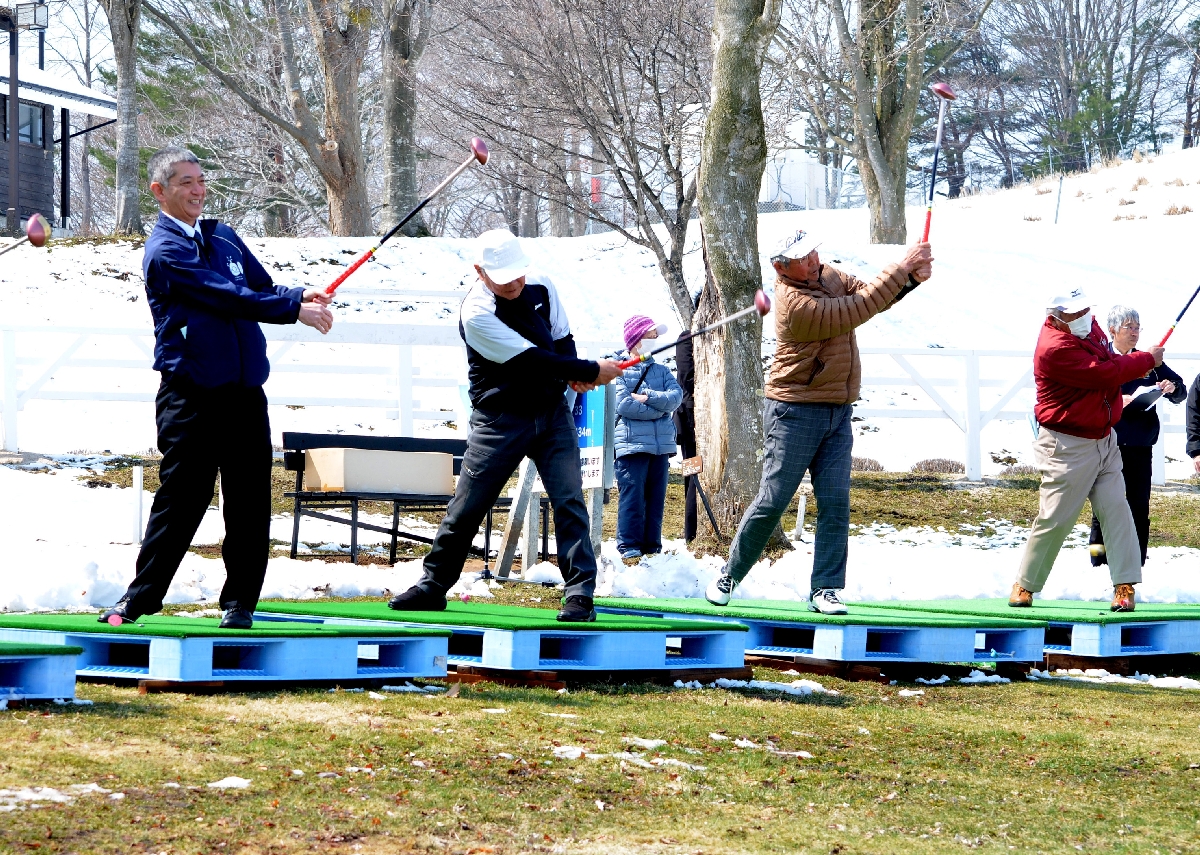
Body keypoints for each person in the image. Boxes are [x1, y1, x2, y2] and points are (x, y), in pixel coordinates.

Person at [99, 146, 334, 629]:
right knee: (182, 497)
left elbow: (257, 286)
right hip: (191, 395)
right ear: (160, 191)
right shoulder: (165, 251)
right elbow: (220, 293)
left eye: (201, 180)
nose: (198, 190)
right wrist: (292, 311)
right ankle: (140, 600)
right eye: (185, 182)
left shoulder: (224, 236)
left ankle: (240, 603)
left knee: (250, 500)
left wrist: (296, 295)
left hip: (245, 394)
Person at [387, 229, 622, 621]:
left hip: (551, 414)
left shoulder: (542, 286)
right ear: (480, 271)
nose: (514, 283)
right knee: (468, 506)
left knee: (569, 499)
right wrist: (588, 370)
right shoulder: (476, 313)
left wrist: (576, 374)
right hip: (499, 419)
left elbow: (561, 340)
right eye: (503, 276)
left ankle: (580, 593)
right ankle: (432, 586)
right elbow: (531, 360)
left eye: (518, 273)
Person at [705, 229, 933, 613]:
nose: (813, 259)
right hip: (794, 411)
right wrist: (902, 267)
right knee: (773, 500)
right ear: (782, 267)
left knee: (835, 501)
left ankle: (825, 588)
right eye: (803, 257)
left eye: (813, 251)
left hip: (837, 410)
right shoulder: (793, 304)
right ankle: (730, 574)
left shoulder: (829, 276)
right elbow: (855, 309)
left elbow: (874, 298)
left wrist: (910, 280)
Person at [1009, 289, 1162, 613]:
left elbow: (1108, 362)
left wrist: (1134, 364)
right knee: (1056, 519)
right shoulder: (1053, 349)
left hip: (1104, 438)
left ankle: (1125, 587)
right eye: (1075, 313)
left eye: (1085, 310)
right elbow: (1102, 373)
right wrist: (1145, 360)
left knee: (1118, 511)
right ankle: (1024, 584)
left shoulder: (1087, 325)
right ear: (1056, 316)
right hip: (1067, 446)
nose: (1084, 317)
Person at [1088, 306, 1186, 567]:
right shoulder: (1101, 357)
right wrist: (1118, 399)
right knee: (1103, 506)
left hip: (1140, 446)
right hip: (1106, 443)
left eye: (1137, 327)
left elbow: (1181, 393)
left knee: (1138, 506)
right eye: (1128, 327)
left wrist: (1171, 386)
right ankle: (1097, 564)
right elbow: (1088, 393)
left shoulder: (1148, 360)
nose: (1134, 332)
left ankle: (1135, 565)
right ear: (1112, 330)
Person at [614, 316, 684, 560]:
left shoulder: (661, 370)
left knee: (656, 499)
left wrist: (648, 396)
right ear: (636, 339)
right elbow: (624, 405)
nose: (655, 341)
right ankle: (629, 547)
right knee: (632, 497)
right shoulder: (619, 369)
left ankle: (653, 547)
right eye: (651, 336)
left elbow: (676, 397)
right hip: (631, 445)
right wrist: (661, 409)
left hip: (661, 446)